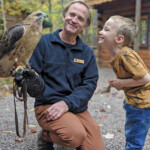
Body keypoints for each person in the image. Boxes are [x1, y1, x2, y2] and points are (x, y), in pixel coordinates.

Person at [25, 0, 105, 150]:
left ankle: (67, 128)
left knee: (96, 148)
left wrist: (67, 103)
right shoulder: (43, 42)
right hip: (47, 106)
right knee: (75, 136)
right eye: (72, 14)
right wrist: (25, 78)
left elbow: (89, 84)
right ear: (64, 16)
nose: (74, 20)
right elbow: (33, 78)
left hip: (75, 107)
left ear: (84, 26)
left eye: (80, 18)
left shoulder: (87, 53)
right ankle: (45, 136)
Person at [99, 15, 150, 150]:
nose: (100, 32)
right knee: (132, 133)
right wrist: (118, 82)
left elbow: (146, 78)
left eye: (106, 29)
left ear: (119, 39)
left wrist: (121, 83)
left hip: (141, 105)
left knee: (134, 139)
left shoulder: (125, 55)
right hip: (135, 103)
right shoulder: (119, 55)